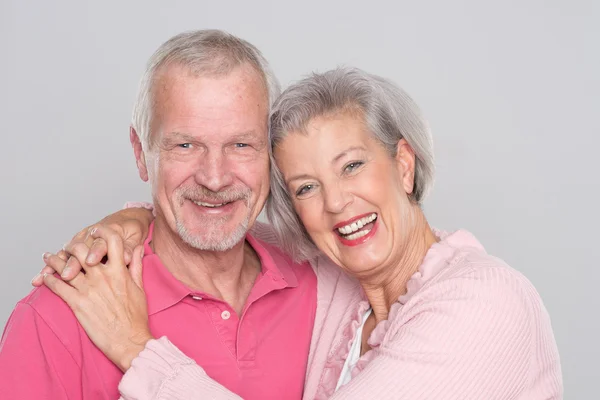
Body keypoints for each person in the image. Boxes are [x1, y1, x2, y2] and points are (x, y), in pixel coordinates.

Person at [33, 67, 563, 399]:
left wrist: (136, 348)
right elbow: (215, 207)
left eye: (352, 166)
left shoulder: (485, 301)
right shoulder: (336, 283)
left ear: (404, 164)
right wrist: (130, 223)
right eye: (306, 187)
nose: (335, 203)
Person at [0, 29, 321, 400]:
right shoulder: (61, 315)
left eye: (241, 144)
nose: (214, 178)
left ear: (272, 154)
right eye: (185, 145)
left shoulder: (321, 281)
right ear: (140, 152)